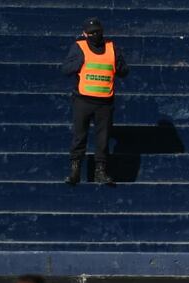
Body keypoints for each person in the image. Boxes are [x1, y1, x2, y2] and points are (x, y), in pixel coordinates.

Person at [60, 17, 129, 185]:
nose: (94, 35)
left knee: (103, 139)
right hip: (82, 101)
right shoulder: (79, 47)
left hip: (104, 103)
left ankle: (100, 172)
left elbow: (124, 70)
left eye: (97, 32)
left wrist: (117, 66)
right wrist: (80, 62)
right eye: (91, 33)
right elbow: (66, 69)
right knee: (79, 137)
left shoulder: (112, 48)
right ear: (84, 34)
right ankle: (75, 171)